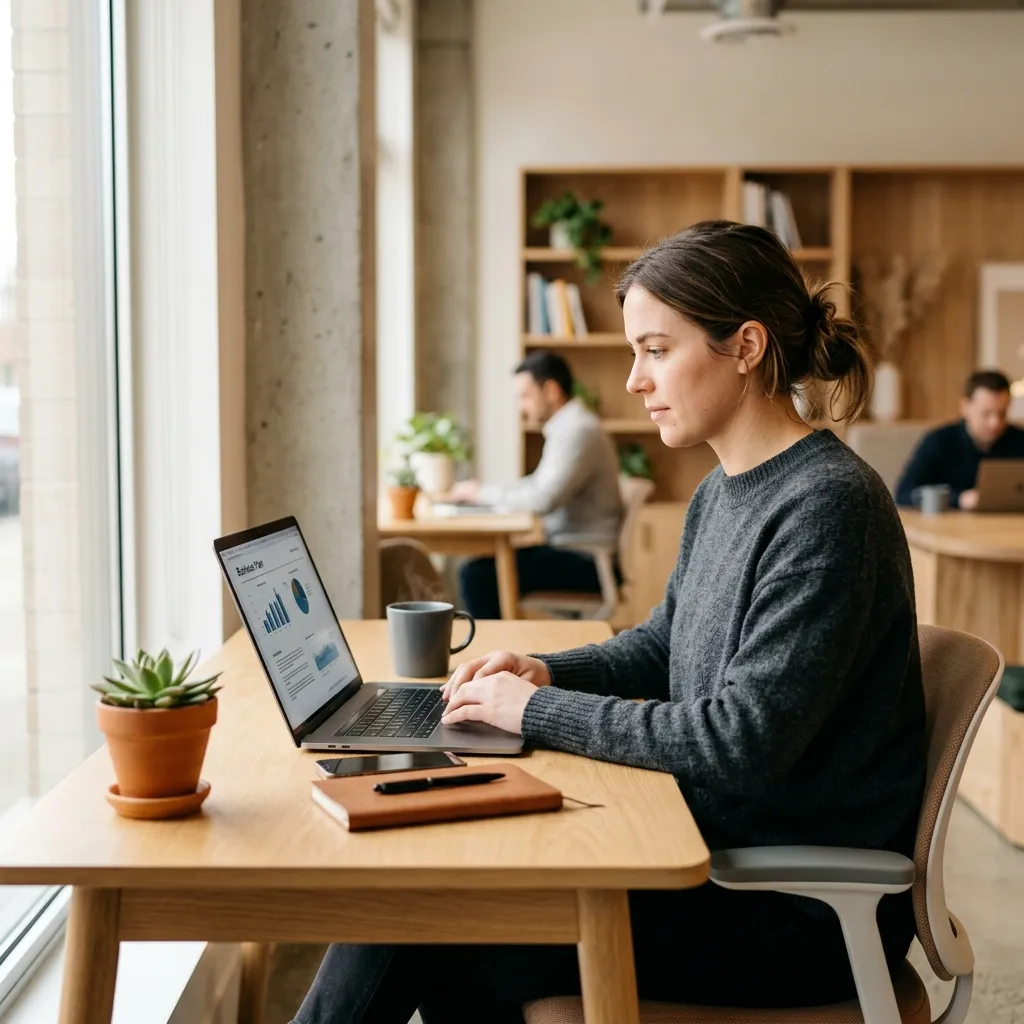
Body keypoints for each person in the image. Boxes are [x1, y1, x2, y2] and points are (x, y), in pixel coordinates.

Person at [291, 221, 926, 1024]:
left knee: (428, 910)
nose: (633, 380)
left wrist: (535, 714)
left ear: (746, 346)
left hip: (786, 909)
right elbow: (663, 645)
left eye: (656, 350)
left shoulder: (829, 507)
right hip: (706, 853)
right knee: (437, 898)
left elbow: (740, 742)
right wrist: (549, 672)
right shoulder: (724, 491)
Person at [451, 350, 623, 619]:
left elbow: (543, 498)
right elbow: (538, 485)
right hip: (573, 551)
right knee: (486, 569)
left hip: (587, 561)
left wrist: (482, 493)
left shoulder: (578, 432)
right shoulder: (568, 427)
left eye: (525, 396)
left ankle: (493, 655)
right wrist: (485, 493)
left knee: (477, 575)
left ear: (552, 391)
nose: (521, 407)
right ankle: (499, 650)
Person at [895, 369, 1024, 509]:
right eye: (986, 414)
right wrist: (959, 499)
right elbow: (904, 493)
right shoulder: (939, 441)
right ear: (965, 407)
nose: (995, 423)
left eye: (1002, 414)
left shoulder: (1020, 440)